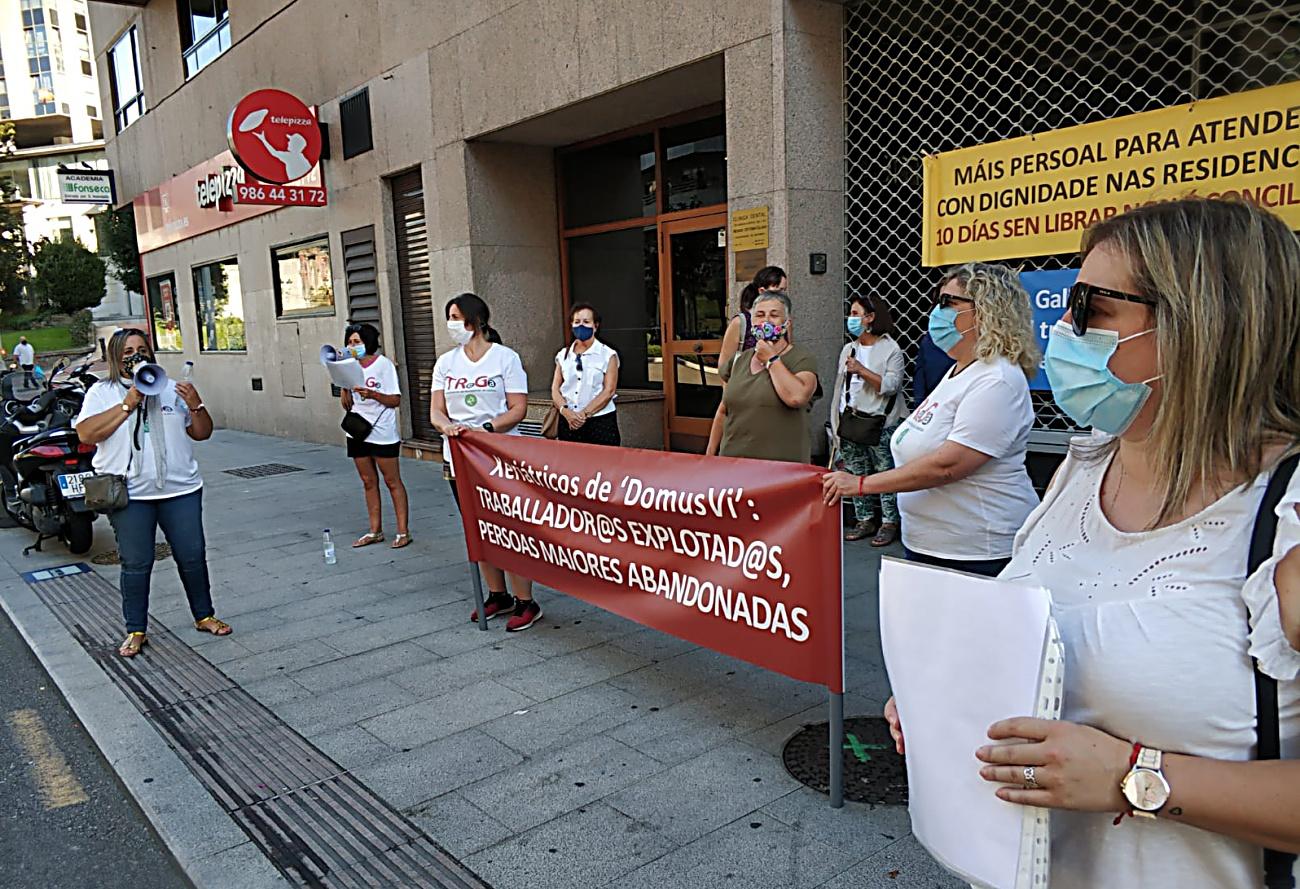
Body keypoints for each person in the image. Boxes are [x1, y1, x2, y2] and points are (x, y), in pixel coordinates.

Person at [888, 198, 1300, 887]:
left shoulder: (1284, 516)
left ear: (1204, 324)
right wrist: (948, 695)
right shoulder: (1082, 469)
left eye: (1091, 308)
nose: (1063, 329)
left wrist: (1137, 775)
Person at [822, 262, 1040, 577]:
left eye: (948, 302)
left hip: (977, 552)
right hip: (930, 545)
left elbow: (948, 465)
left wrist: (861, 484)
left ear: (986, 310)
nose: (937, 312)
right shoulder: (959, 370)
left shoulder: (998, 379)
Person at [73, 328, 230, 658]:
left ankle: (204, 615)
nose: (136, 355)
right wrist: (128, 404)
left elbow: (202, 433)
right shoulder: (103, 392)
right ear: (117, 358)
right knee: (136, 562)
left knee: (192, 555)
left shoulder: (171, 389)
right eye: (128, 350)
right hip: (131, 495)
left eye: (142, 349)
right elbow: (86, 433)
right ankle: (136, 629)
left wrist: (196, 405)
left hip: (181, 489)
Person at [430, 293, 542, 632]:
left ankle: (526, 601)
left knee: (509, 527)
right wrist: (445, 426)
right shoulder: (445, 363)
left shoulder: (505, 359)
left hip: (498, 457)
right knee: (477, 527)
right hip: (459, 457)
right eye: (448, 317)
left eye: (455, 316)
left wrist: (487, 429)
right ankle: (498, 594)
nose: (451, 324)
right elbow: (436, 409)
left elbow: (517, 409)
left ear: (475, 320)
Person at [830, 294, 907, 545]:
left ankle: (889, 522)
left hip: (879, 423)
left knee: (884, 474)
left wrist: (861, 370)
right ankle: (864, 519)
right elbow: (840, 387)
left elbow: (891, 386)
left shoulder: (890, 349)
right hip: (851, 420)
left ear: (870, 318)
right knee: (855, 472)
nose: (851, 319)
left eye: (855, 314)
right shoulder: (848, 349)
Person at [709, 290, 819, 463]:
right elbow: (724, 410)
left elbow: (797, 397)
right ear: (752, 321)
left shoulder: (801, 359)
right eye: (760, 315)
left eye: (774, 315)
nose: (766, 320)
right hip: (733, 465)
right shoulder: (740, 360)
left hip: (780, 471)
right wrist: (709, 457)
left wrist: (771, 359)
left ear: (787, 323)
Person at [339, 322, 411, 549]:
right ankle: (375, 530)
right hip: (358, 431)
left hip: (382, 432)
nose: (352, 346)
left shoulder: (383, 365)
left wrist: (373, 394)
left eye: (357, 342)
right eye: (349, 342)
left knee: (392, 481)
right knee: (368, 481)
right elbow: (347, 402)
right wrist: (344, 391)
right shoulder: (348, 366)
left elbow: (395, 400)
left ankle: (402, 531)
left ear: (368, 342)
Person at [708, 266, 788, 456]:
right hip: (743, 381)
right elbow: (724, 364)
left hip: (772, 381)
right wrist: (730, 389)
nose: (784, 295)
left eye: (785, 290)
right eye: (779, 290)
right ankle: (711, 457)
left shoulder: (783, 323)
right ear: (762, 291)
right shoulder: (741, 322)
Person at [550, 303, 620, 446]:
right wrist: (565, 411)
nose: (581, 326)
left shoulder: (608, 354)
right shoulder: (563, 355)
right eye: (577, 322)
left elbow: (609, 391)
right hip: (568, 421)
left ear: (595, 325)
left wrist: (583, 415)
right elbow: (555, 389)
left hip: (599, 421)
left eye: (586, 322)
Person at [912, 331, 955, 404]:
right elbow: (920, 373)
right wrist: (919, 403)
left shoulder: (966, 339)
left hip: (956, 398)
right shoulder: (928, 339)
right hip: (932, 400)